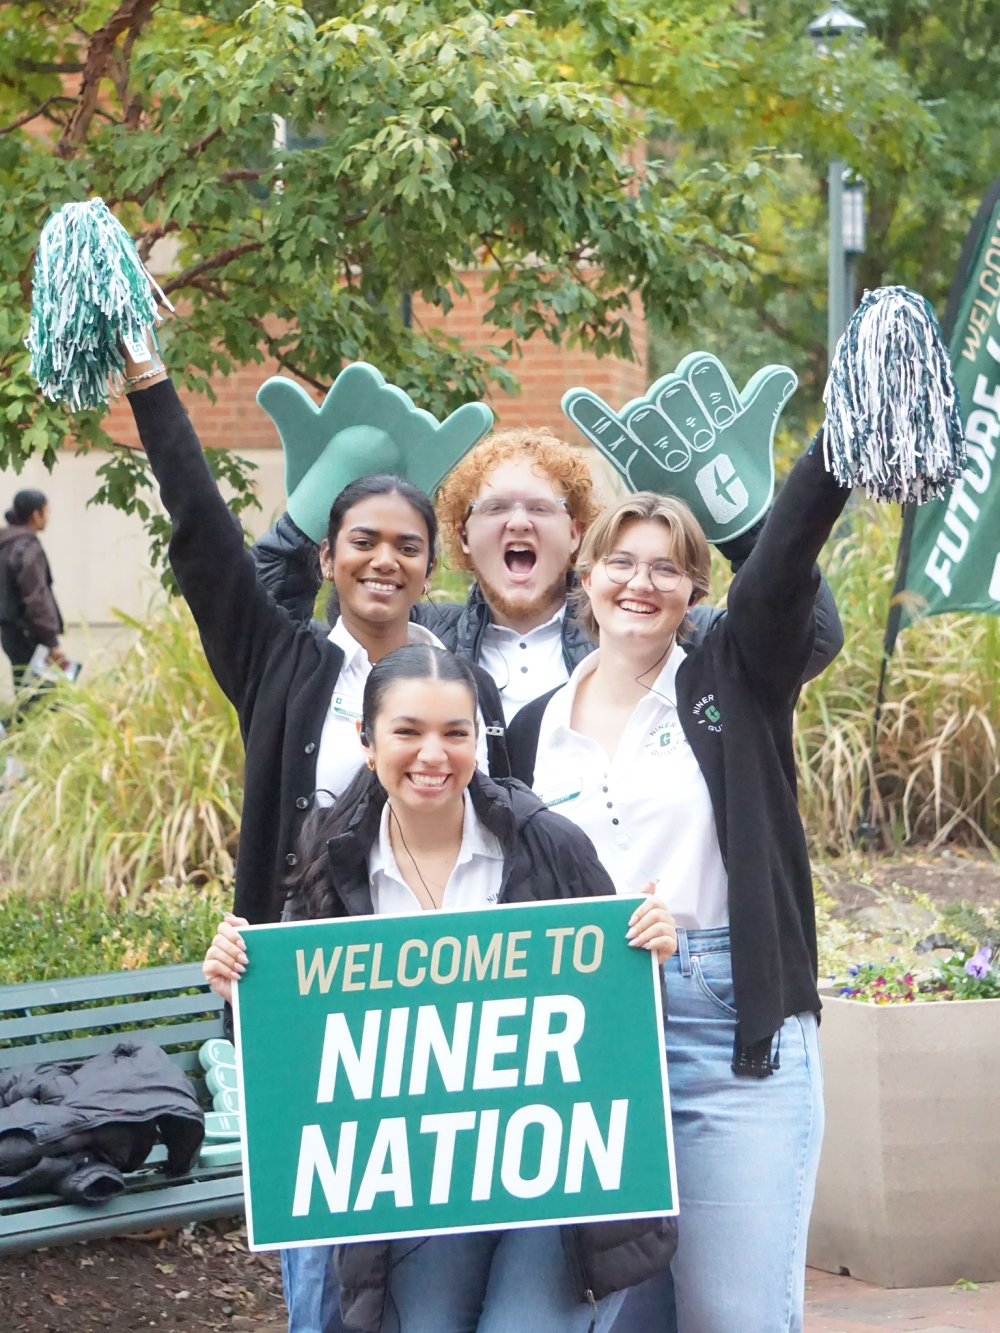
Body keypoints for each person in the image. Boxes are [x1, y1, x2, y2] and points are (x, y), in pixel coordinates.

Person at [119, 345, 512, 1333]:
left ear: (430, 565)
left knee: (437, 1269)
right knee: (328, 1283)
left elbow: (513, 834)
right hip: (306, 1000)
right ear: (327, 557)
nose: (385, 559)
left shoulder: (465, 687)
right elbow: (204, 538)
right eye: (363, 540)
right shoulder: (281, 664)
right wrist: (151, 385)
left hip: (442, 1000)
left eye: (408, 545)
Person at [204, 643, 679, 1333]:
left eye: (456, 732)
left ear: (478, 741)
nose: (433, 754)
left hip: (555, 1184)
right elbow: (307, 1057)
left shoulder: (546, 843)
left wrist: (645, 953)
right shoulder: (332, 862)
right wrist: (247, 993)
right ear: (367, 743)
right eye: (408, 731)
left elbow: (618, 1017)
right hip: (420, 1187)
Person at [504, 441, 852, 1333]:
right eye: (621, 561)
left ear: (695, 591)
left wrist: (834, 451)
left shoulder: (733, 677)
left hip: (728, 1027)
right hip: (594, 1035)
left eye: (667, 568)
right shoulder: (531, 729)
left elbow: (783, 574)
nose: (641, 582)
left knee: (730, 1314)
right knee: (617, 1316)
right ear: (584, 576)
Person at [252, 428, 844, 721]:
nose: (519, 523)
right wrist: (309, 519)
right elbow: (263, 630)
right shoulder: (416, 638)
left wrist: (744, 527)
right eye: (494, 509)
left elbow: (810, 639)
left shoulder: (646, 629)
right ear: (462, 536)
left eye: (540, 508)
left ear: (577, 533)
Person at [0, 489, 67, 690]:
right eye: (46, 511)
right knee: (43, 697)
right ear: (36, 515)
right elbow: (36, 597)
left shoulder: (6, 545)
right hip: (31, 635)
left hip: (10, 633)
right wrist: (51, 642)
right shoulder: (27, 548)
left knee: (26, 692)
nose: (48, 517)